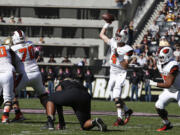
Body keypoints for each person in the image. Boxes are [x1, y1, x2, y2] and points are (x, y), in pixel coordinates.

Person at [99, 19, 133, 126]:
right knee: (113, 95)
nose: (117, 37)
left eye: (119, 36)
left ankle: (119, 118)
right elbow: (101, 35)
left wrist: (120, 58)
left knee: (116, 95)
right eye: (117, 35)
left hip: (120, 73)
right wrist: (107, 23)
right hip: (112, 72)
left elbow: (126, 66)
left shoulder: (127, 49)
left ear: (124, 38)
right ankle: (127, 110)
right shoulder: (113, 42)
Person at [10, 30, 49, 122]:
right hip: (36, 73)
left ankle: (18, 114)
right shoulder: (30, 44)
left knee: (10, 93)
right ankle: (51, 113)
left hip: (25, 75)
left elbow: (12, 62)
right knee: (43, 95)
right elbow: (36, 53)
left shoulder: (13, 48)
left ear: (15, 38)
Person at [43, 79, 107, 132]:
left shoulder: (63, 82)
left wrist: (61, 122)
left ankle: (50, 122)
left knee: (51, 97)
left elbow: (57, 94)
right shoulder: (78, 84)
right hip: (86, 97)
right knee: (84, 124)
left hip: (72, 93)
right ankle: (95, 121)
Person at [149, 46, 180, 131]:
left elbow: (168, 84)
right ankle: (167, 124)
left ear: (168, 56)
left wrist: (154, 83)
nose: (159, 58)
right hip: (169, 91)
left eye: (161, 57)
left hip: (178, 90)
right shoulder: (160, 63)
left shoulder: (174, 65)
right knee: (158, 106)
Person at [0, 41, 16, 123]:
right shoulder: (6, 47)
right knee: (8, 98)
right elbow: (14, 54)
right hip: (8, 72)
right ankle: (5, 117)